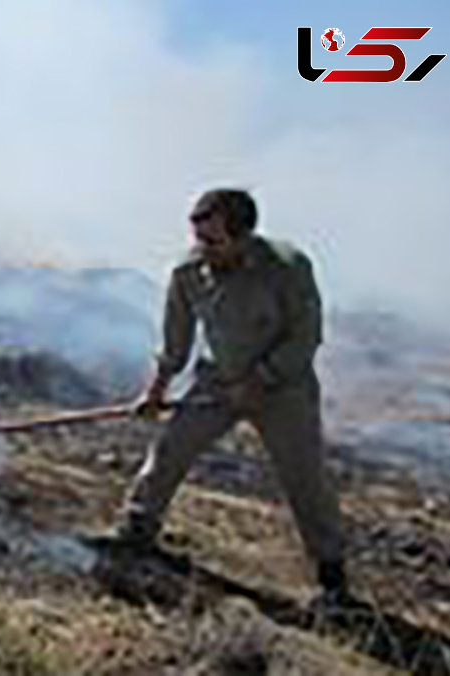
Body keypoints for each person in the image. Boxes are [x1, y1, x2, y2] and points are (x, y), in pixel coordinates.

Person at [117, 188, 347, 600]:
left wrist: (261, 380)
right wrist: (156, 390)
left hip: (284, 390)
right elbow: (176, 339)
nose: (202, 250)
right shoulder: (188, 273)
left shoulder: (287, 268)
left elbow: (306, 336)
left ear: (244, 236)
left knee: (305, 477)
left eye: (213, 241)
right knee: (171, 448)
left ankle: (332, 576)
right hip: (218, 381)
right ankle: (136, 530)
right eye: (198, 239)